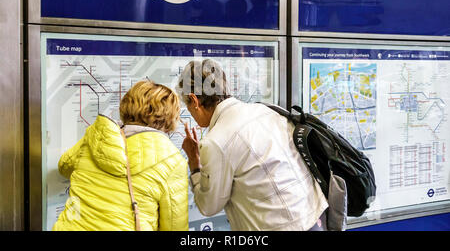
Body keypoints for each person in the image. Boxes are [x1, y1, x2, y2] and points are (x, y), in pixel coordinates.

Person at [179, 59, 328, 231]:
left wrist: (194, 164)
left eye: (187, 105)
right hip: (314, 217)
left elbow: (208, 206)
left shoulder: (216, 141)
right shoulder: (266, 111)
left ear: (194, 100)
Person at [53, 80, 188, 231]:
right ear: (170, 117)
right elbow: (175, 227)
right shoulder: (173, 161)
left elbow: (64, 166)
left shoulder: (97, 136)